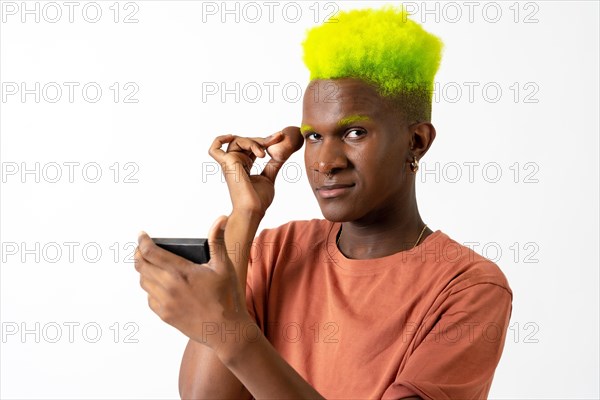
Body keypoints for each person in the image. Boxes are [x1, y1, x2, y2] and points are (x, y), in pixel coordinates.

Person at [134, 6, 513, 399]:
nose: (326, 163)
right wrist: (245, 218)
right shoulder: (280, 251)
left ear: (416, 141)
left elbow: (230, 338)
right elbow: (204, 397)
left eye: (354, 132)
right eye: (314, 136)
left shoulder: (467, 287)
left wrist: (230, 332)